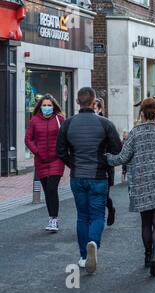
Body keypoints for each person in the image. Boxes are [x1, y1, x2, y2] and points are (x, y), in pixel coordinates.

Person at [106, 98, 155, 277]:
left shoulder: (134, 133)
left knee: (146, 224)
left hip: (141, 185)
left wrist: (105, 157)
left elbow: (122, 158)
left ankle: (148, 256)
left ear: (141, 113)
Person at [56, 87, 122, 274]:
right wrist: (103, 160)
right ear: (94, 103)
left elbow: (60, 151)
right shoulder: (105, 123)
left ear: (77, 102)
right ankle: (94, 242)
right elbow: (117, 150)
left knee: (82, 216)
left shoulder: (68, 124)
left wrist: (74, 164)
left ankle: (84, 255)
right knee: (96, 215)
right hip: (98, 176)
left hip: (77, 176)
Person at [25, 94, 65, 232]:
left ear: (53, 106)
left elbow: (65, 138)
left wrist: (61, 153)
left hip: (56, 160)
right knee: (47, 191)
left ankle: (54, 220)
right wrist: (37, 151)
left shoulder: (60, 119)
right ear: (40, 106)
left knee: (52, 189)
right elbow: (28, 139)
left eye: (49, 105)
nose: (46, 107)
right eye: (44, 105)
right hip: (41, 160)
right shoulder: (34, 120)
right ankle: (51, 217)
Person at [94, 98, 117, 227]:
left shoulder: (106, 124)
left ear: (100, 109)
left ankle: (110, 208)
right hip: (89, 166)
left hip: (104, 166)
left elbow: (115, 147)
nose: (93, 110)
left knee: (104, 195)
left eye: (95, 108)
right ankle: (96, 220)